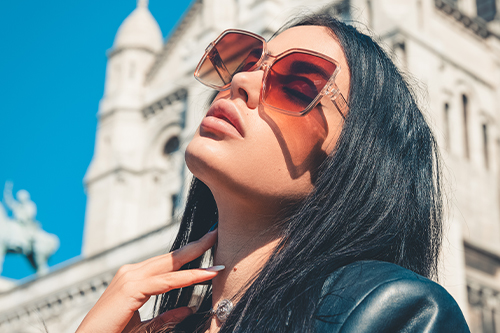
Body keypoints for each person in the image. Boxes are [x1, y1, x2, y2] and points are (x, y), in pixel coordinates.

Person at [76, 14, 470, 333]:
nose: (242, 81)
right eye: (243, 63)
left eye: (297, 85)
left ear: (354, 154)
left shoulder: (400, 312)